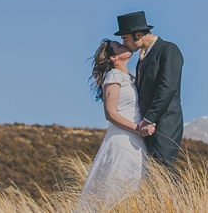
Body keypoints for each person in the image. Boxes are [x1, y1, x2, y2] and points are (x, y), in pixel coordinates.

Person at [75, 40, 148, 212]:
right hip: (124, 139)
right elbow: (110, 113)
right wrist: (137, 128)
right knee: (116, 188)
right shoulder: (113, 76)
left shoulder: (129, 77)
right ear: (114, 57)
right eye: (120, 46)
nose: (125, 46)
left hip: (137, 139)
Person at [115, 11, 184, 168]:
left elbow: (167, 87)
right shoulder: (142, 56)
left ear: (138, 35)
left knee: (163, 169)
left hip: (165, 122)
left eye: (125, 39)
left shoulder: (168, 50)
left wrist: (149, 118)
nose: (124, 43)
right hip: (146, 126)